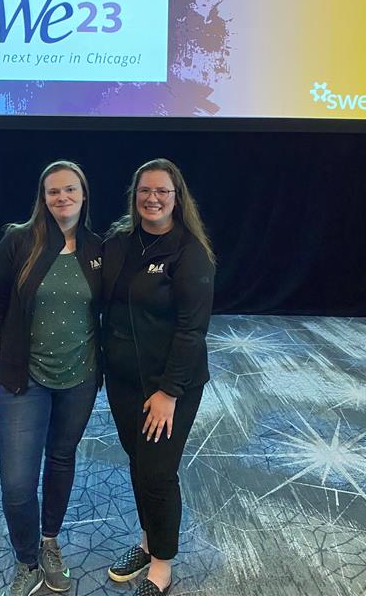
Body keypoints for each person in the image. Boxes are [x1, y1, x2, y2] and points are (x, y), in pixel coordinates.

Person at [0, 161, 102, 596]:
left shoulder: (98, 248)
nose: (62, 197)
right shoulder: (18, 242)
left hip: (80, 378)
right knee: (17, 483)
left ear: (83, 195)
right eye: (53, 191)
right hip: (22, 379)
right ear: (43, 197)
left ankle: (49, 542)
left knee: (61, 459)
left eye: (70, 189)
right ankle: (27, 560)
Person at [102, 159, 215, 596]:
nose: (152, 199)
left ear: (176, 197)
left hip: (170, 386)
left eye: (162, 191)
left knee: (157, 472)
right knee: (138, 462)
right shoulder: (119, 243)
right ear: (135, 195)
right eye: (145, 190)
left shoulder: (189, 252)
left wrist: (168, 392)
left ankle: (162, 566)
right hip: (123, 381)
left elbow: (192, 329)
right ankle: (149, 543)